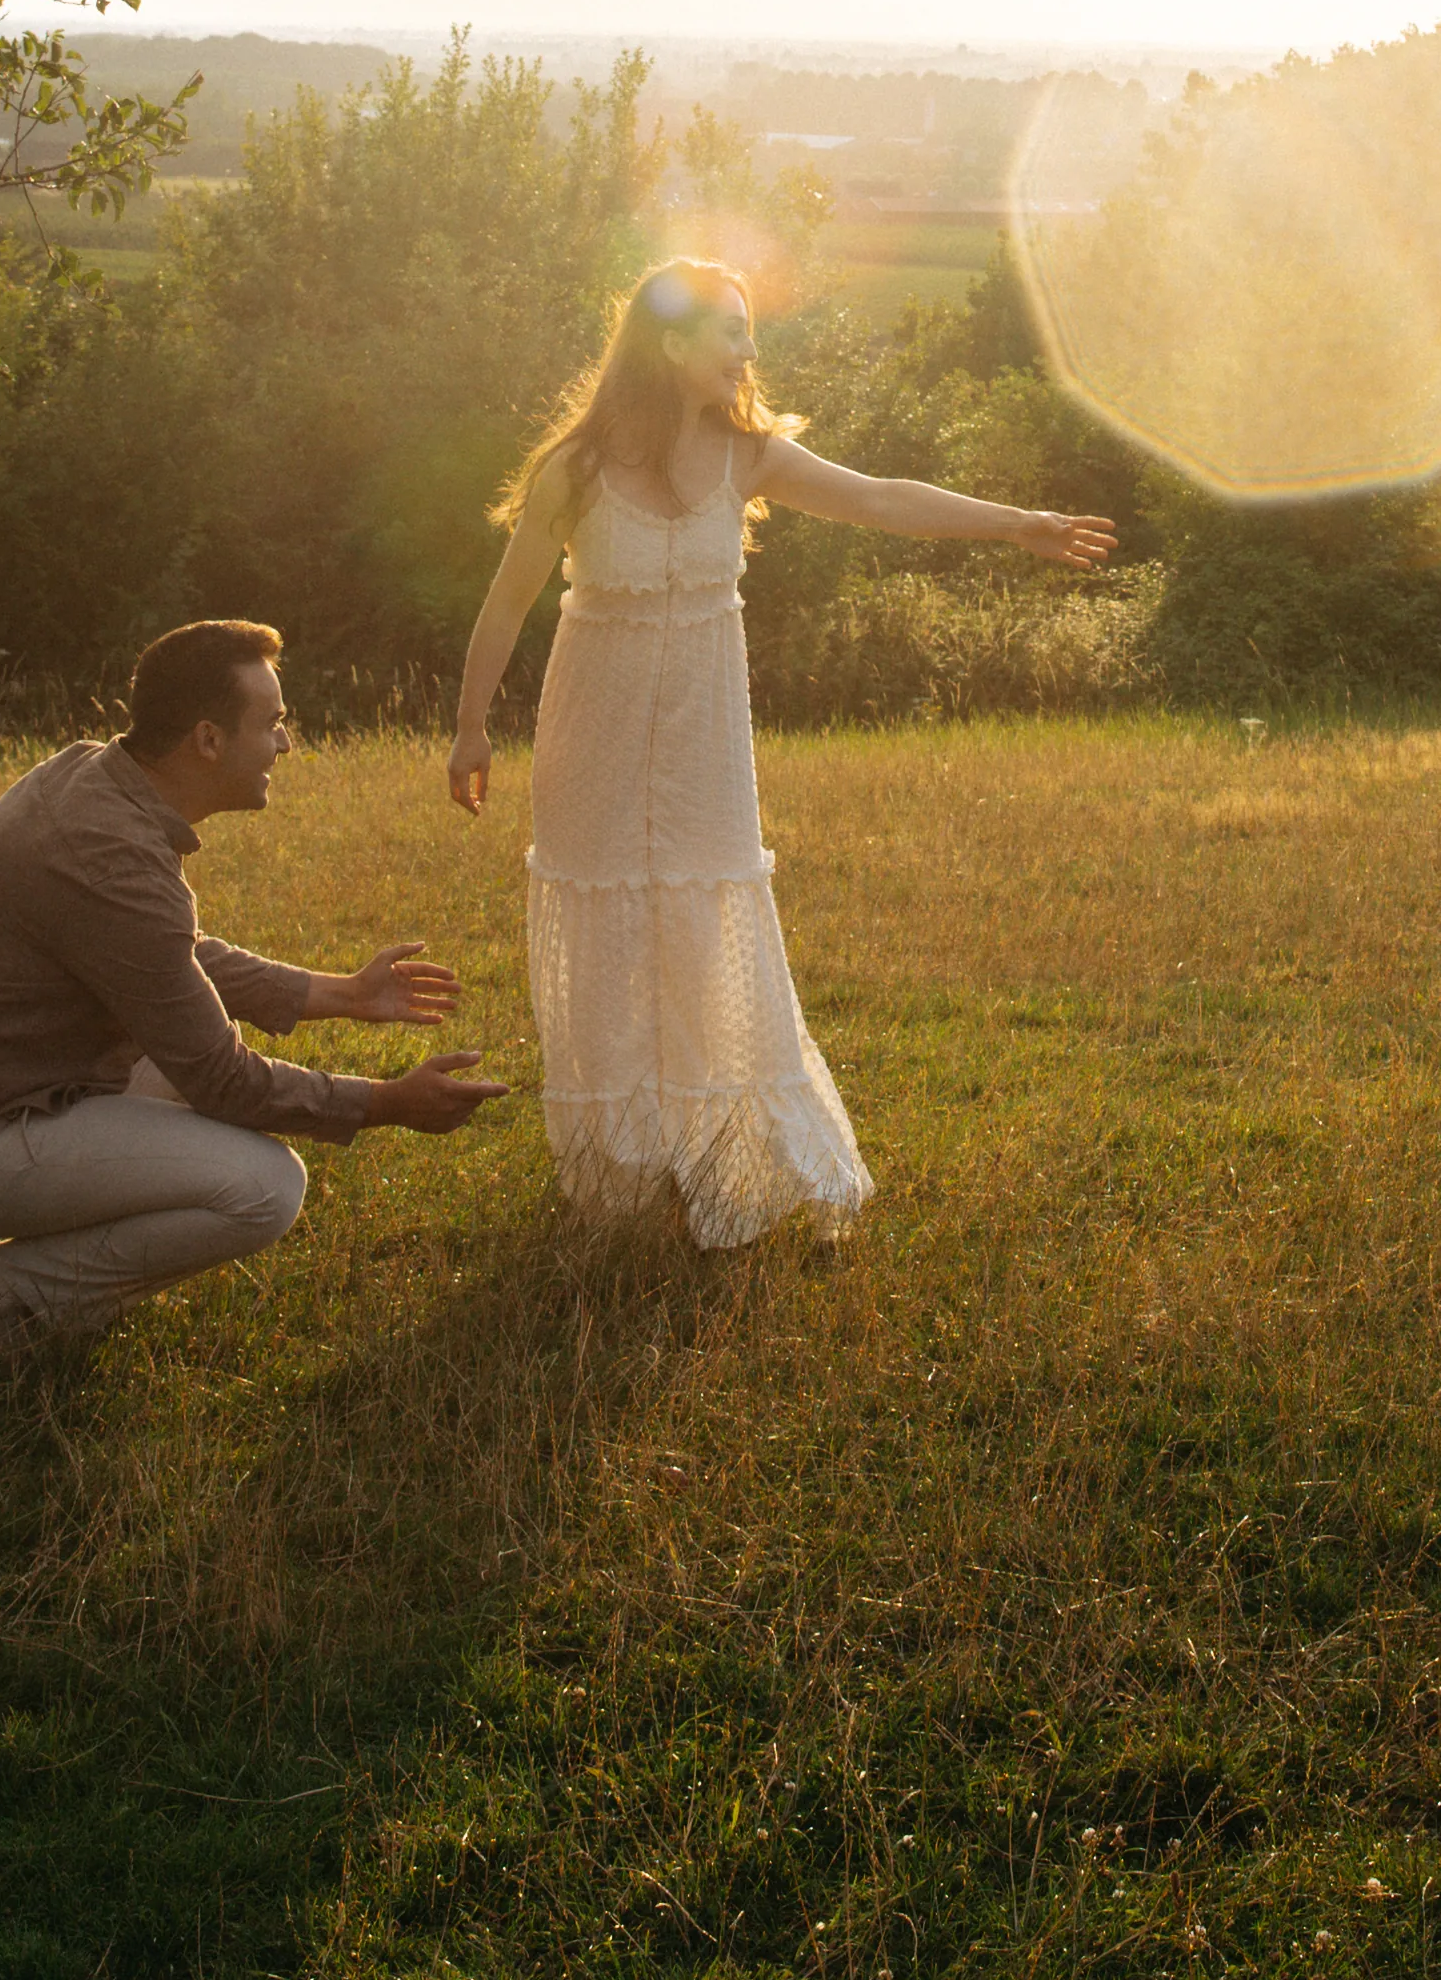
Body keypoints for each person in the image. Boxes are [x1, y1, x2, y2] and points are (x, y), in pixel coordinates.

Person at [451, 260, 1115, 1245]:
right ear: (670, 347)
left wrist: (1016, 524)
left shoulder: (748, 457)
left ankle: (728, 1155)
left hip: (703, 746)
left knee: (711, 919)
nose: (747, 350)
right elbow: (505, 604)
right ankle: (625, 1171)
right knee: (613, 941)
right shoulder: (575, 470)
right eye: (729, 330)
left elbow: (883, 498)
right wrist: (471, 725)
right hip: (590, 739)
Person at [0, 614, 503, 1360]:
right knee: (262, 1187)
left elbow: (165, 957)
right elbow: (224, 1079)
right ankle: (7, 1298)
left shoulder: (94, 778)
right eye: (274, 724)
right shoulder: (108, 853)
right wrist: (386, 1103)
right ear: (209, 740)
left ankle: (36, 1278)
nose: (286, 744)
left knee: (206, 1090)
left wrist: (343, 993)